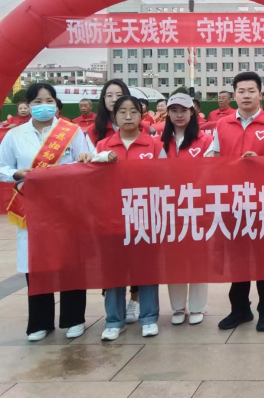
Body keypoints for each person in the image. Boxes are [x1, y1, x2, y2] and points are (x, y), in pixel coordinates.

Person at [0, 83, 92, 341]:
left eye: (49, 100)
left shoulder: (72, 132)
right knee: (36, 263)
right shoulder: (15, 135)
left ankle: (74, 319)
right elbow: (2, 166)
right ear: (28, 105)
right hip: (32, 208)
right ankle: (40, 322)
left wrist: (84, 160)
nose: (44, 106)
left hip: (66, 207)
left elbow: (89, 160)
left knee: (70, 261)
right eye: (38, 102)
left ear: (56, 104)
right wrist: (17, 174)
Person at [206, 72, 264, 332]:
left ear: (260, 94)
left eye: (251, 91)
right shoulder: (222, 125)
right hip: (232, 204)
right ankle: (240, 310)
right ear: (234, 95)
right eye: (241, 91)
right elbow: (215, 160)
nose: (246, 95)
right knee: (237, 261)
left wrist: (261, 163)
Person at [82, 96, 165, 340]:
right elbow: (91, 181)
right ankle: (114, 321)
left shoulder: (154, 145)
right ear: (114, 116)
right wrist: (91, 161)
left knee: (147, 270)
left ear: (142, 116)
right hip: (112, 219)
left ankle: (148, 318)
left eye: (133, 112)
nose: (128, 116)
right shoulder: (102, 146)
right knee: (113, 271)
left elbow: (166, 179)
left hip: (145, 218)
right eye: (122, 112)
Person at [160, 93, 213, 325]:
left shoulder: (205, 141)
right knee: (175, 259)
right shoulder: (160, 141)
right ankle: (178, 307)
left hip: (198, 207)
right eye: (174, 110)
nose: (179, 115)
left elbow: (211, 171)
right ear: (168, 113)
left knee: (197, 257)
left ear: (192, 112)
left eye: (184, 110)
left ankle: (198, 306)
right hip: (169, 207)